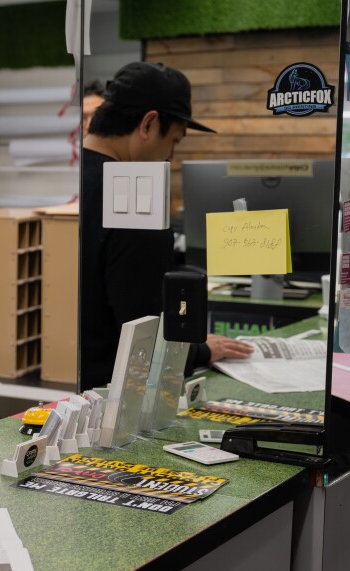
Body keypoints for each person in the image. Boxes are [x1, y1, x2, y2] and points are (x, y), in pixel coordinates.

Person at [79, 62, 253, 391]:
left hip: (55, 398)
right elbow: (144, 340)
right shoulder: (135, 200)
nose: (170, 156)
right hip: (107, 404)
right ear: (148, 123)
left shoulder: (69, 179)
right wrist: (199, 351)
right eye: (173, 140)